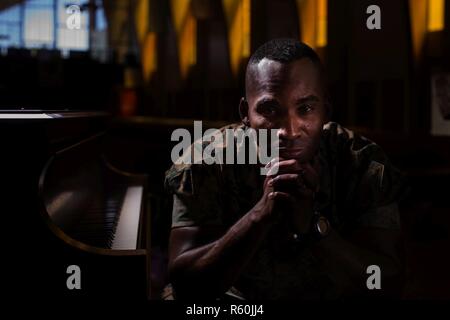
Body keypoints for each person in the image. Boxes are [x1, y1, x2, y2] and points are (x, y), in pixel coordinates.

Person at [164, 39, 407, 300]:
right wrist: (260, 215)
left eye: (305, 109)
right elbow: (185, 286)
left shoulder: (363, 165)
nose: (288, 131)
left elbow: (386, 284)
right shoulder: (207, 161)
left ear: (325, 111)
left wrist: (313, 228)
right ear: (245, 112)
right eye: (270, 109)